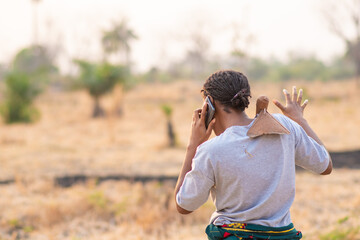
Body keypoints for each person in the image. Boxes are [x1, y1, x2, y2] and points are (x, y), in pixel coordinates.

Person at [174, 70, 332, 240]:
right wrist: (299, 120)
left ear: (209, 104)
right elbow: (325, 165)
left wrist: (193, 145)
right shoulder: (285, 126)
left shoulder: (211, 150)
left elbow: (184, 205)